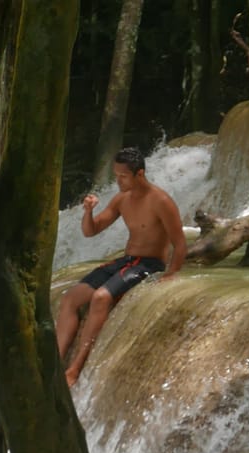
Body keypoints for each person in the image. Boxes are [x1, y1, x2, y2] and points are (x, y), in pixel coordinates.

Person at [55, 145, 188, 386]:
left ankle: (74, 370)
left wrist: (171, 273)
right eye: (116, 176)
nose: (118, 181)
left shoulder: (161, 201)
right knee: (70, 298)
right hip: (127, 261)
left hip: (149, 264)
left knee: (101, 297)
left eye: (123, 176)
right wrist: (88, 211)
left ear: (139, 174)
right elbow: (91, 231)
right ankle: (54, 364)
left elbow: (180, 244)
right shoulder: (122, 199)